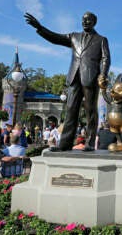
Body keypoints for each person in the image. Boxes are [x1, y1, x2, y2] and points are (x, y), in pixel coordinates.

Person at [24, 11, 110, 151]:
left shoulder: (101, 40)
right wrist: (39, 27)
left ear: (94, 22)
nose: (85, 22)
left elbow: (106, 58)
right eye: (83, 19)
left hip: (91, 78)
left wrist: (103, 74)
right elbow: (55, 38)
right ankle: (64, 144)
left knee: (90, 112)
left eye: (88, 20)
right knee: (70, 110)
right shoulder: (73, 36)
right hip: (74, 77)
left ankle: (89, 143)